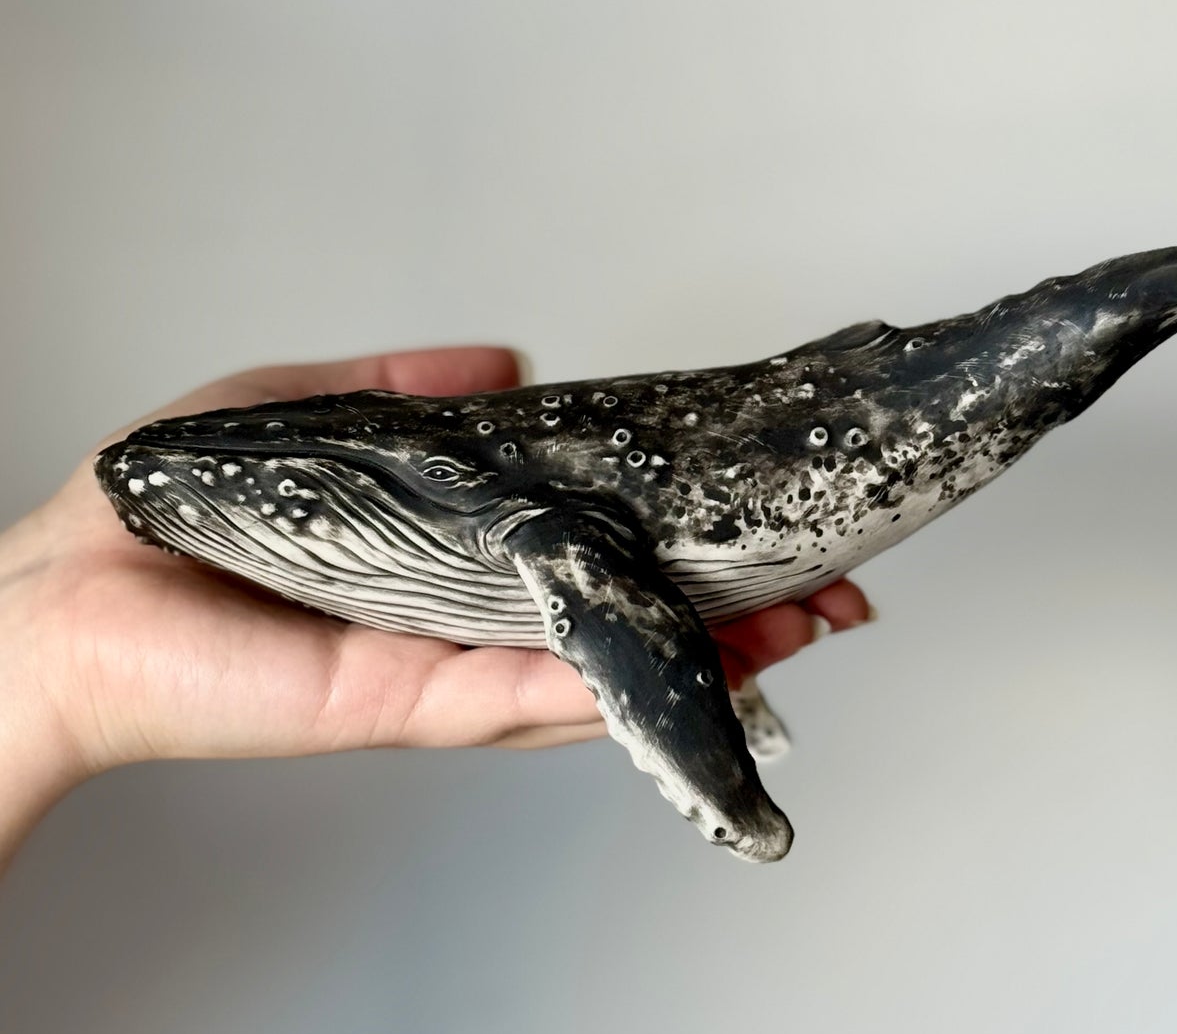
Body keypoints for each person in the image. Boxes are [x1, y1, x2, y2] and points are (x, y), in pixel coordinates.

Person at [0, 346, 872, 874]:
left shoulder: (541, 526)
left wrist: (730, 795)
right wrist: (50, 660)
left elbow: (612, 597)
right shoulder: (188, 487)